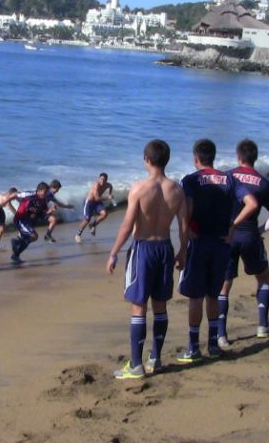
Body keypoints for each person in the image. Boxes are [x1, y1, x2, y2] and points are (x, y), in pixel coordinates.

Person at [106, 140, 188, 379]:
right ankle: (156, 358)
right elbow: (184, 226)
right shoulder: (177, 190)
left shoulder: (139, 188)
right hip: (165, 247)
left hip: (143, 249)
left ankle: (135, 364)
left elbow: (127, 224)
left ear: (146, 160)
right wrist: (183, 251)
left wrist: (113, 252)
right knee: (160, 304)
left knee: (138, 305)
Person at [177, 139, 259, 362]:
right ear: (213, 157)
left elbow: (188, 212)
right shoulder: (229, 179)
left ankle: (193, 346)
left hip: (200, 242)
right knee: (214, 294)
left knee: (195, 296)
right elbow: (251, 203)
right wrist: (233, 226)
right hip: (222, 243)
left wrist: (184, 243)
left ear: (196, 158)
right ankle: (213, 343)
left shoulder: (191, 180)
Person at [218, 139, 269, 349]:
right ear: (255, 158)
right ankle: (263, 325)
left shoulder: (227, 176)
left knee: (224, 284)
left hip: (227, 237)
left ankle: (221, 335)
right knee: (262, 277)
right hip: (250, 237)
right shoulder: (264, 182)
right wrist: (260, 230)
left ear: (238, 156)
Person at [10, 182, 52, 264]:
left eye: (47, 192)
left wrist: (50, 210)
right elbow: (27, 209)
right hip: (20, 220)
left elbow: (44, 211)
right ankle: (16, 244)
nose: (46, 193)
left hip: (28, 222)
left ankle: (15, 254)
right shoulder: (31, 198)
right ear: (39, 191)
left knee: (28, 240)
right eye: (45, 191)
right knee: (34, 236)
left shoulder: (43, 200)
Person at [75, 173, 115, 243]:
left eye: (104, 180)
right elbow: (96, 198)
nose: (102, 181)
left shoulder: (107, 185)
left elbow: (111, 186)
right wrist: (108, 197)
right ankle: (78, 234)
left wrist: (110, 193)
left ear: (106, 180)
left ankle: (92, 225)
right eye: (101, 179)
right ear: (99, 179)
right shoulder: (96, 185)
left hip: (97, 203)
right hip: (89, 202)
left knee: (104, 214)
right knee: (87, 219)